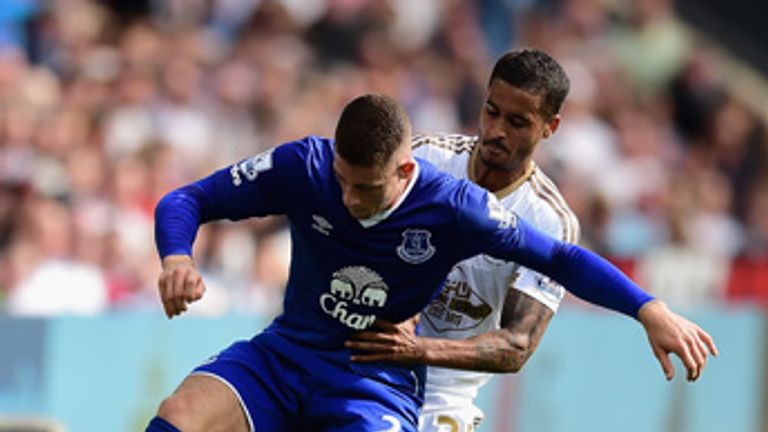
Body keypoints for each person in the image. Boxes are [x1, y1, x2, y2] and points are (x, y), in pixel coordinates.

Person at [150, 93, 689, 432]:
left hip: (372, 382)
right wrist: (177, 256)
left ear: (404, 171)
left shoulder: (458, 209)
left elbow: (561, 258)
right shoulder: (302, 166)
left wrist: (647, 308)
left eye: (365, 188)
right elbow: (187, 200)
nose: (348, 198)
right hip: (285, 354)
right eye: (341, 180)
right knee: (180, 416)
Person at [344, 49, 719, 432]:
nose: (496, 131)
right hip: (365, 359)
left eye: (518, 122)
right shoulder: (423, 160)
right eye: (491, 111)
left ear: (549, 127)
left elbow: (516, 346)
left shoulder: (546, 219)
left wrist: (417, 350)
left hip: (443, 393)